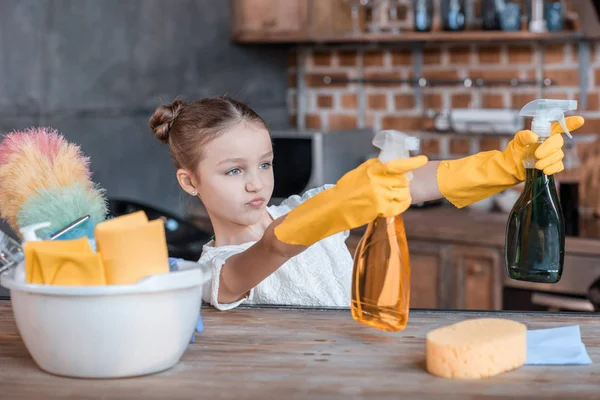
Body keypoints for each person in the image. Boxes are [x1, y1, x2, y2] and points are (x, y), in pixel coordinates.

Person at [149, 96, 583, 311]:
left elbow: (412, 184)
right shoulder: (214, 273)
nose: (255, 183)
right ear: (190, 182)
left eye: (264, 164)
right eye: (233, 171)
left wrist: (504, 165)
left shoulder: (308, 207)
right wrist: (339, 205)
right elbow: (272, 248)